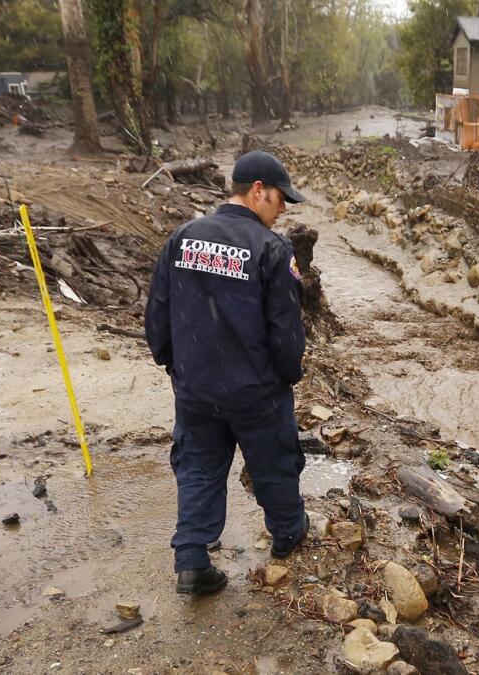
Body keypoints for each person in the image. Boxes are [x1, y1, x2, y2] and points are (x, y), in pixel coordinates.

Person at [145, 150, 309, 595]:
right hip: (256, 391)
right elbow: (286, 332)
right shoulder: (272, 250)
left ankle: (193, 560)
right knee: (274, 461)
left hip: (197, 388)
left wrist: (174, 366)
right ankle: (288, 532)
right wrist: (287, 377)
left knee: (198, 466)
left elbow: (157, 315)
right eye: (280, 201)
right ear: (258, 191)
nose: (281, 212)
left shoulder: (183, 237)